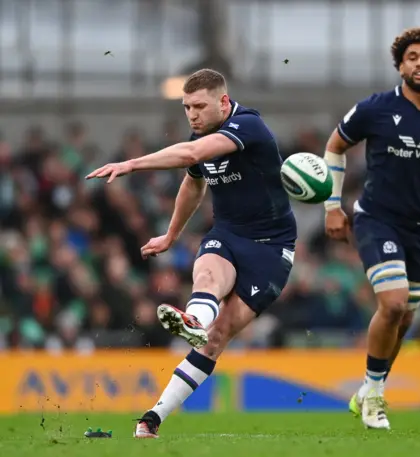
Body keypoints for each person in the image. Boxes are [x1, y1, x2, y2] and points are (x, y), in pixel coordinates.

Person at [86, 69, 297, 438]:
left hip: (271, 246)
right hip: (229, 233)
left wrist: (132, 163)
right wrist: (170, 234)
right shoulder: (201, 132)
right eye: (186, 107)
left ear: (224, 103)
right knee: (208, 276)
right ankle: (153, 413)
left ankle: (194, 336)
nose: (192, 115)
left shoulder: (249, 126)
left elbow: (192, 154)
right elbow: (193, 181)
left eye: (199, 106)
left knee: (221, 336)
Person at [323, 27, 420, 429]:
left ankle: (367, 389)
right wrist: (331, 205)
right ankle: (375, 397)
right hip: (376, 218)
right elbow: (334, 146)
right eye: (412, 57)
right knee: (391, 305)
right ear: (400, 65)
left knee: (405, 319)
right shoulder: (373, 109)